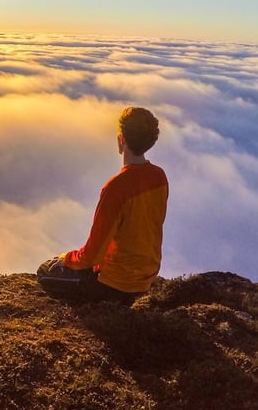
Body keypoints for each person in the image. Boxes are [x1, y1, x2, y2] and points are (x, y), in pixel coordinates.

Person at [37, 107, 168, 305]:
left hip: (115, 285)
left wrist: (67, 258)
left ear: (121, 139)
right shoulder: (159, 177)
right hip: (146, 277)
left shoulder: (116, 188)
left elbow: (91, 256)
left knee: (45, 272)